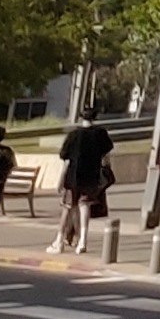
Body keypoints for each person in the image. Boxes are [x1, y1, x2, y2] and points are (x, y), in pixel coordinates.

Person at [54, 108, 115, 254]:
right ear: (95, 118)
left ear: (81, 117)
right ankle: (82, 241)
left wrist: (60, 179)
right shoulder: (101, 134)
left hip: (73, 176)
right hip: (91, 175)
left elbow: (66, 160)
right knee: (85, 206)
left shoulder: (73, 135)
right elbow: (106, 158)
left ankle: (59, 241)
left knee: (67, 207)